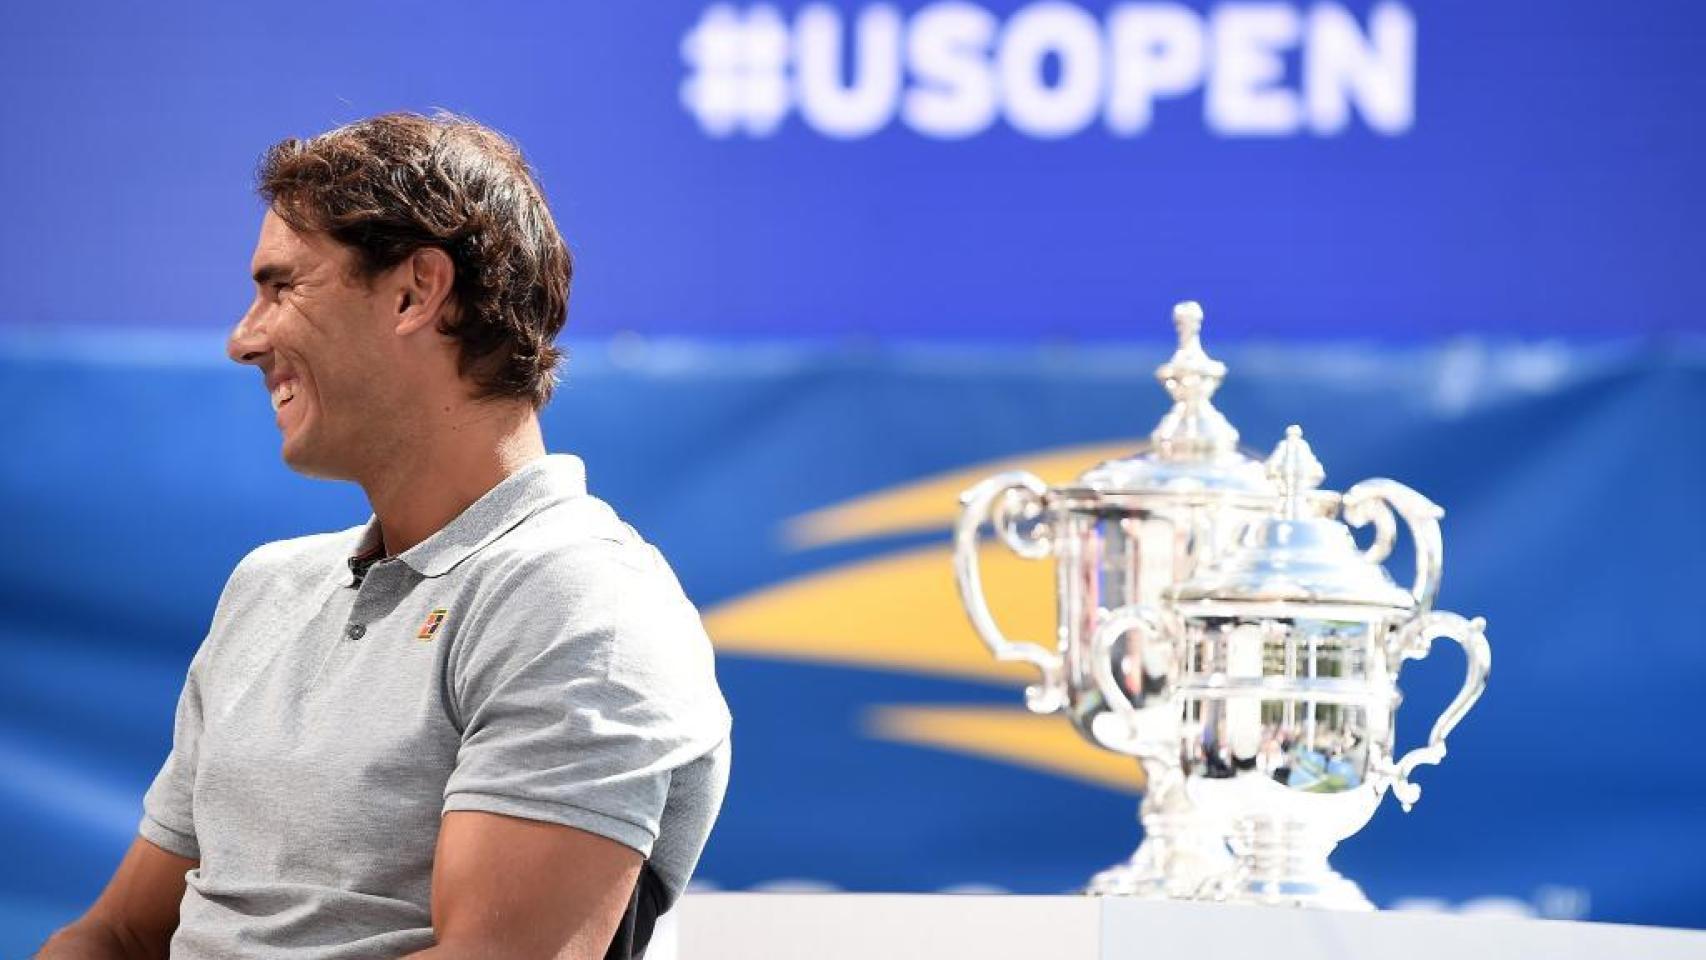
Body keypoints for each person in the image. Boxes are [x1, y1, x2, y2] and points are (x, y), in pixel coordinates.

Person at [37, 112, 731, 960]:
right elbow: (117, 934)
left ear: (415, 292)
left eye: (281, 286)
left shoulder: (584, 599)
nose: (242, 338)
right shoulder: (269, 585)